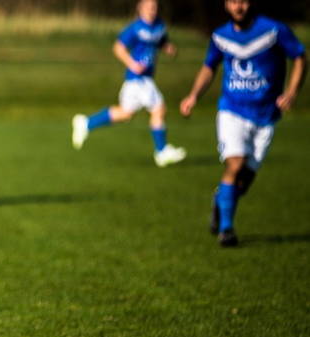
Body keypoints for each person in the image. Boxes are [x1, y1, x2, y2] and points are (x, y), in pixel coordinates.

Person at [180, 0, 305, 247]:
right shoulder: (220, 36)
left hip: (266, 115)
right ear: (226, 5)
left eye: (243, 1)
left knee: (244, 180)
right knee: (235, 164)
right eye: (233, 2)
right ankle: (226, 229)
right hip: (232, 110)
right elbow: (209, 67)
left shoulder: (273, 30)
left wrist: (292, 91)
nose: (239, 7)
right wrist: (194, 95)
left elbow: (300, 57)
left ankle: (220, 201)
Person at [72, 0, 186, 167]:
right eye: (148, 7)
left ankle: (86, 123)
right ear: (140, 8)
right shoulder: (135, 28)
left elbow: (160, 41)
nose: (152, 10)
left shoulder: (160, 26)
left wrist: (168, 48)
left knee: (126, 113)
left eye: (154, 7)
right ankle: (161, 151)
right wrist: (132, 64)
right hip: (137, 79)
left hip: (143, 79)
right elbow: (118, 48)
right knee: (159, 109)